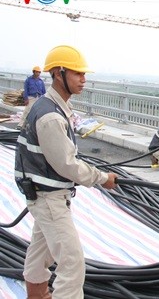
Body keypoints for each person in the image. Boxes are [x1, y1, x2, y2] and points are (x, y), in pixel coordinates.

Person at [14, 45, 118, 298]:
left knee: (41, 251)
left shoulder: (49, 106)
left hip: (42, 194)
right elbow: (67, 164)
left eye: (84, 74)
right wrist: (102, 178)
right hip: (49, 197)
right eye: (77, 74)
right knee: (72, 263)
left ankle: (37, 294)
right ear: (59, 74)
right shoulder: (51, 116)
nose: (84, 79)